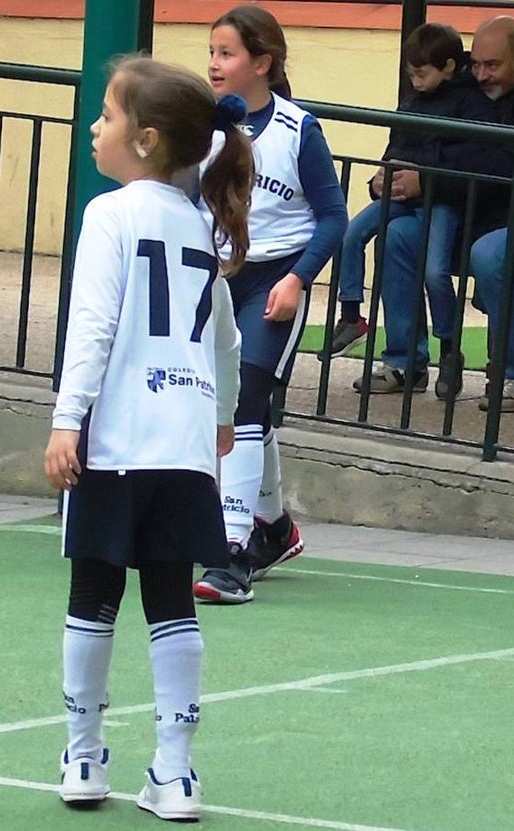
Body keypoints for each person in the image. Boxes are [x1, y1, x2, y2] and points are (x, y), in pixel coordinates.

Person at [44, 56, 251, 820]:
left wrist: (69, 418)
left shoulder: (112, 212)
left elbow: (92, 324)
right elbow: (227, 341)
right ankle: (176, 771)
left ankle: (85, 755)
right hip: (186, 444)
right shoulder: (202, 225)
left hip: (121, 441)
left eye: (106, 115)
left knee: (95, 593)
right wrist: (224, 413)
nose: (95, 126)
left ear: (147, 139)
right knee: (171, 602)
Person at [356, 15, 514, 412]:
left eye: (493, 65)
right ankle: (404, 362)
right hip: (477, 217)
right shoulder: (467, 89)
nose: (482, 74)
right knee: (398, 237)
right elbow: (421, 139)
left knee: (491, 254)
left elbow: (506, 164)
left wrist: (429, 177)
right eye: (477, 64)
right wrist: (389, 176)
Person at [191, 5, 348, 605]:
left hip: (274, 280)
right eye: (212, 51)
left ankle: (230, 554)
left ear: (263, 63)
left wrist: (300, 278)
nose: (214, 63)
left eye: (227, 53)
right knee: (226, 408)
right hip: (217, 279)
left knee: (247, 402)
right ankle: (275, 528)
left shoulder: (297, 130)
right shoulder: (203, 129)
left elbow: (335, 217)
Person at [323, 22, 497, 400]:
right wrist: (379, 180)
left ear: (449, 66)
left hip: (442, 203)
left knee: (436, 270)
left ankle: (448, 349)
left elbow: (473, 159)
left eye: (422, 73)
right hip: (403, 198)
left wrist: (427, 176)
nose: (415, 81)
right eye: (411, 74)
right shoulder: (413, 99)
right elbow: (396, 143)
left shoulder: (470, 103)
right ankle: (355, 318)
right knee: (353, 233)